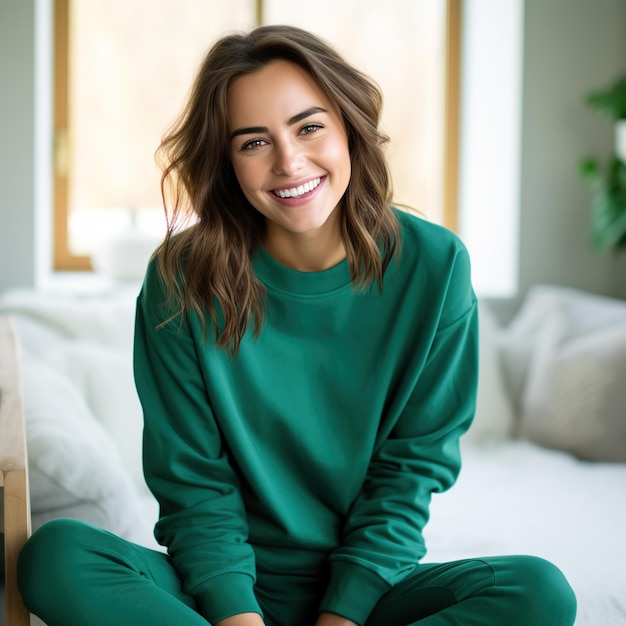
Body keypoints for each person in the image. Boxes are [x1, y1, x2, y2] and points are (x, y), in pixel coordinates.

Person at [17, 24, 576, 626]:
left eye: (309, 127)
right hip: (221, 590)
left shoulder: (436, 268)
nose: (289, 162)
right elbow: (193, 483)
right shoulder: (180, 278)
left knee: (539, 591)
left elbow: (410, 471)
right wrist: (236, 615)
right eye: (253, 142)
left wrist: (342, 615)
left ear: (348, 128)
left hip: (367, 590)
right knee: (56, 555)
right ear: (226, 161)